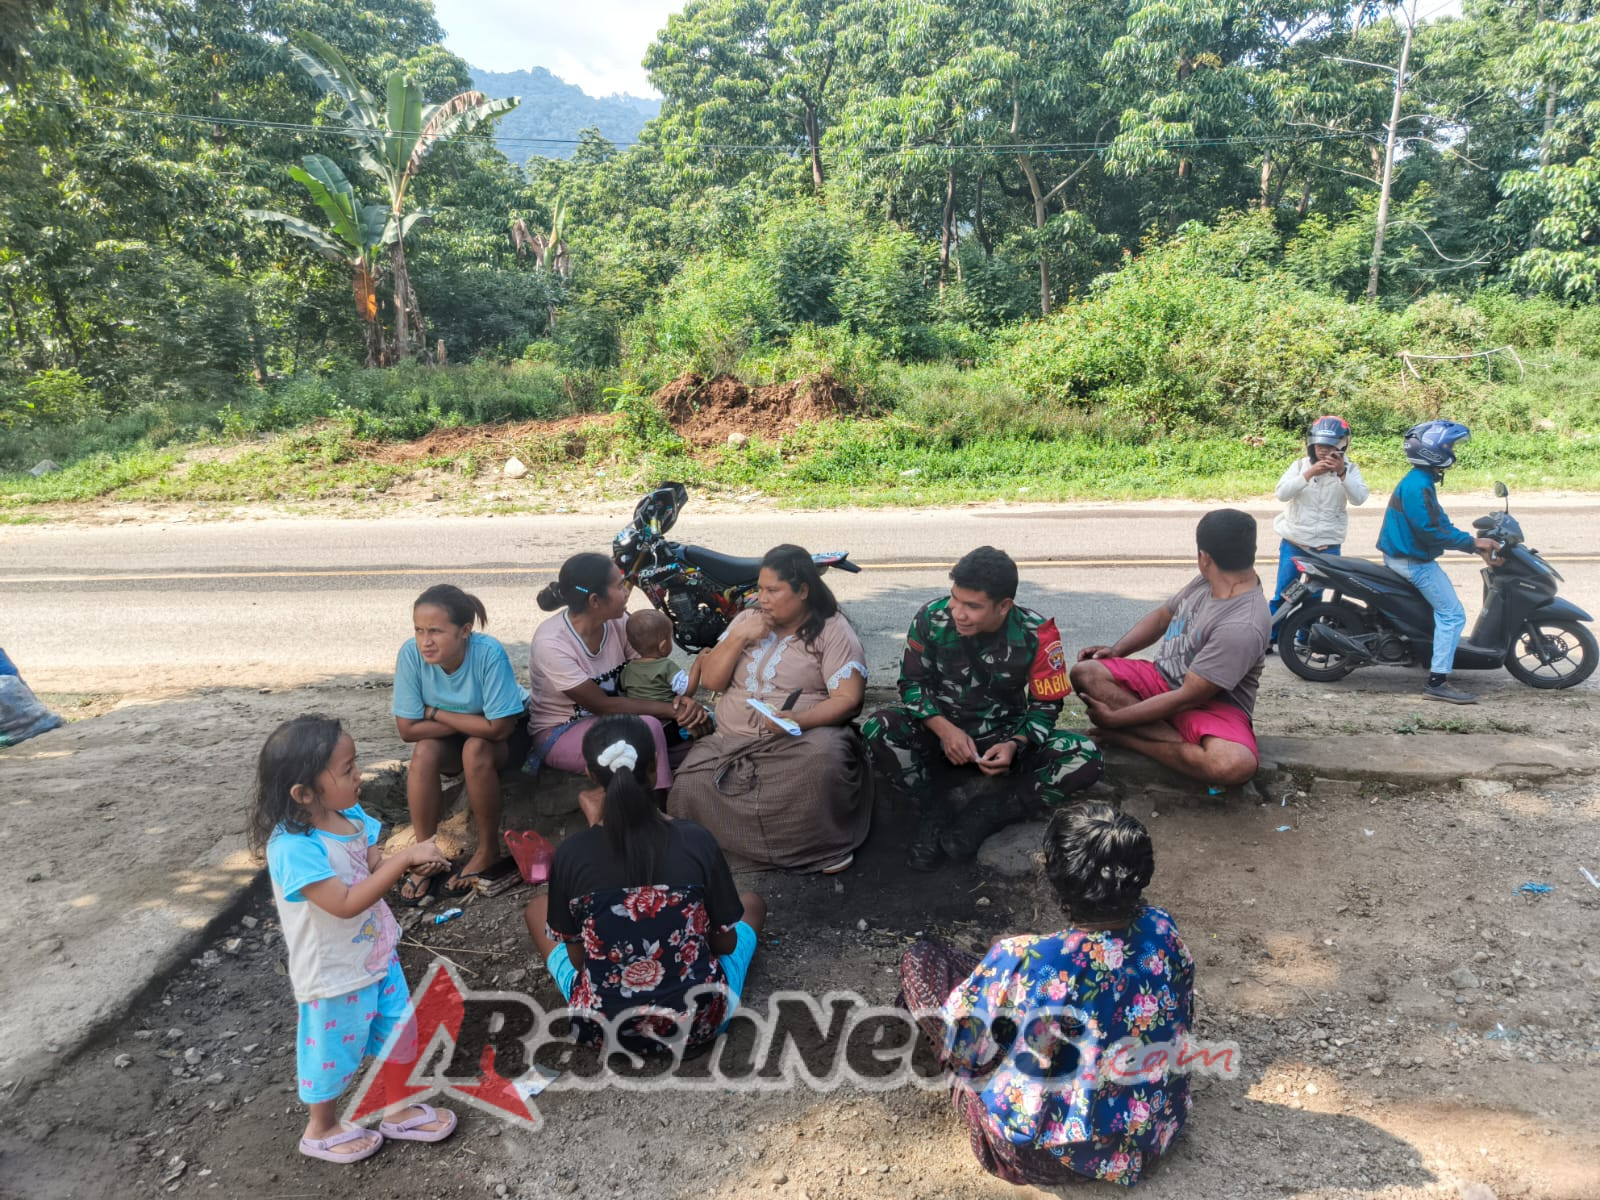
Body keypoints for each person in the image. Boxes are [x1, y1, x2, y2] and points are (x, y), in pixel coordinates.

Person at [896, 803, 1194, 1187]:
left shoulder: (1024, 958)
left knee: (922, 961)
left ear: (1055, 874)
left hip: (1048, 1156)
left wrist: (1001, 961)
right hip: (1151, 1131)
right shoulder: (1163, 928)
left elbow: (969, 1048)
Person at [252, 715, 458, 1164]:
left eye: (355, 763)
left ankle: (398, 1109)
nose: (359, 775)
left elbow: (366, 859)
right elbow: (344, 902)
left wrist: (398, 861)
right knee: (332, 1052)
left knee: (401, 1032)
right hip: (333, 974)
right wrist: (402, 862)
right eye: (347, 771)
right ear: (303, 794)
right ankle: (320, 1127)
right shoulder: (293, 848)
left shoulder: (349, 817)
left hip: (376, 955)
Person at [524, 714, 765, 1056]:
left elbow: (578, 959)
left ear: (591, 776)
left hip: (603, 1030)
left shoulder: (571, 854)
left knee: (537, 909)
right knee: (752, 903)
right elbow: (724, 944)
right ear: (654, 767)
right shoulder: (696, 841)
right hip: (698, 1026)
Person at [863, 546, 1102, 872]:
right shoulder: (931, 618)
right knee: (878, 727)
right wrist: (944, 730)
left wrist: (1015, 745)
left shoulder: (1038, 634)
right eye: (955, 598)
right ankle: (933, 809)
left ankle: (993, 811)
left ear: (1003, 606)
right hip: (939, 734)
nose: (957, 612)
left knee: (1085, 754)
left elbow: (1046, 704)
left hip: (1002, 737)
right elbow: (912, 685)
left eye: (972, 606)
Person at [667, 544, 871, 874]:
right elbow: (715, 681)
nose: (763, 598)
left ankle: (819, 851)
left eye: (773, 590)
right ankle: (722, 854)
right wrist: (738, 637)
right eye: (760, 589)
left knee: (823, 763)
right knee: (690, 785)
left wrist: (799, 719)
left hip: (798, 741)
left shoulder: (831, 630)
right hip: (732, 740)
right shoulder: (747, 619)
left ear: (803, 590)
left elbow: (849, 700)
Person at [1070, 510, 1269, 788]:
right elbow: (1164, 616)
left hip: (1209, 707)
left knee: (1233, 765)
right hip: (1162, 680)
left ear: (1205, 557)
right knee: (1085, 672)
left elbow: (1188, 697)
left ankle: (1129, 739)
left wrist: (1116, 719)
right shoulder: (1209, 579)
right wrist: (1117, 651)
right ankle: (1178, 745)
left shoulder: (1242, 625)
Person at [392, 584, 530, 900]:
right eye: (419, 630)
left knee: (476, 747)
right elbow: (408, 730)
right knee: (424, 750)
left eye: (436, 631)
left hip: (510, 735)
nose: (425, 641)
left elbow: (499, 728)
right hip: (455, 733)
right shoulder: (411, 655)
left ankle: (487, 849)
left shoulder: (488, 653)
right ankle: (425, 853)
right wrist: (468, 722)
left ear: (465, 631)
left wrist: (435, 712)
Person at [527, 553, 710, 789]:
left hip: (618, 719)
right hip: (562, 731)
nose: (626, 592)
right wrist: (670, 711)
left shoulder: (619, 622)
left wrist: (680, 703)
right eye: (620, 586)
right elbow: (602, 705)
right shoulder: (551, 642)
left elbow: (648, 671)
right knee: (648, 729)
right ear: (595, 601)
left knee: (700, 729)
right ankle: (659, 807)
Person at [1377, 419, 1502, 704]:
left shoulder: (1420, 481)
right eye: (1449, 445)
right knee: (1452, 614)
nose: (1453, 450)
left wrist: (1472, 543)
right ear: (1434, 450)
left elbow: (1438, 521)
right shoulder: (1418, 485)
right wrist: (1471, 543)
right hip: (1412, 561)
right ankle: (1437, 681)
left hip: (1405, 555)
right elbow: (1430, 530)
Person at [1270, 415, 1369, 618]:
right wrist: (1308, 475)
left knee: (1313, 597)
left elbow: (1359, 498)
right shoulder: (1300, 466)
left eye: (1329, 446)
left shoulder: (1350, 470)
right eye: (1319, 446)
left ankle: (1304, 640)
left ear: (1342, 446)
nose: (1323, 450)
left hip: (1327, 545)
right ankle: (1271, 637)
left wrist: (1342, 474)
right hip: (1295, 543)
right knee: (1284, 594)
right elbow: (1281, 493)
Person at [619, 609, 704, 741]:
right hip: (669, 724)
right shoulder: (666, 666)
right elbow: (688, 691)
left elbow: (624, 690)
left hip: (641, 726)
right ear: (663, 646)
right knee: (706, 718)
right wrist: (698, 663)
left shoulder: (628, 669)